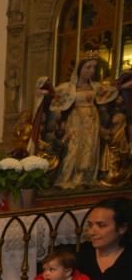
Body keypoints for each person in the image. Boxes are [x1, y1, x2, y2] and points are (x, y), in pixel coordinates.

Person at [51, 58, 111, 188]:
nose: (91, 71)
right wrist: (58, 116)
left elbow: (111, 94)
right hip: (76, 119)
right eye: (88, 67)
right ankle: (66, 178)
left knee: (90, 148)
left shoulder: (96, 86)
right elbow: (56, 103)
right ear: (79, 69)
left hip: (92, 120)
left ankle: (85, 179)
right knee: (73, 148)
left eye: (93, 68)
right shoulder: (69, 87)